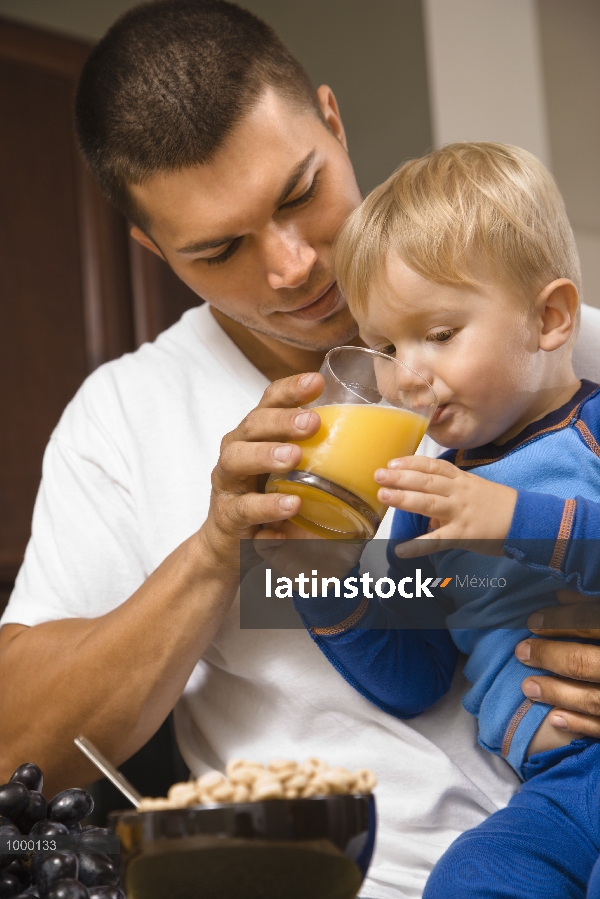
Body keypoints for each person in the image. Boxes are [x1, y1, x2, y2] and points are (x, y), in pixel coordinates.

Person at [0, 2, 600, 896]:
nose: (290, 267)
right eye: (219, 248)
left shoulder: (549, 340)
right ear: (153, 248)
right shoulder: (123, 417)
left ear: (334, 119)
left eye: (298, 194)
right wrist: (220, 552)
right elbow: (20, 747)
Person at [292, 142, 600, 897]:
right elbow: (415, 676)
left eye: (438, 333)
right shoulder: (427, 495)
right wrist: (310, 573)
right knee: (469, 876)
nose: (408, 375)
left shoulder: (591, 427)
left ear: (550, 317)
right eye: (386, 346)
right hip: (559, 787)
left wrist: (506, 515)